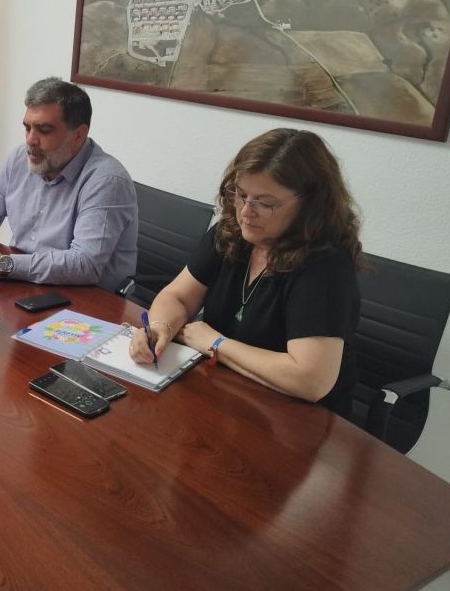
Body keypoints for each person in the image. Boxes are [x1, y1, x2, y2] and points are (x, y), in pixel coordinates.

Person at [128, 128, 362, 417]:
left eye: (265, 203)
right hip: (227, 395)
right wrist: (159, 329)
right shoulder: (231, 234)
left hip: (297, 421)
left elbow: (310, 380)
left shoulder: (325, 265)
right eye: (240, 195)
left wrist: (214, 343)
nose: (245, 212)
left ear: (309, 205)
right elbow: (177, 296)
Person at [0, 77, 138, 287]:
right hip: (25, 282)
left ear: (78, 135)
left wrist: (3, 264)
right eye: (27, 128)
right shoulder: (20, 158)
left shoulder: (107, 181)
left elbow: (84, 264)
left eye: (44, 130)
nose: (30, 140)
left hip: (86, 300)